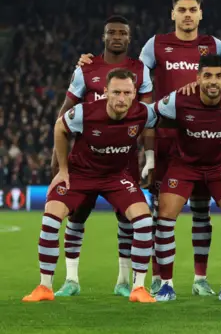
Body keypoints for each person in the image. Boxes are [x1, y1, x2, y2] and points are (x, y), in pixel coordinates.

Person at [77, 0, 221, 296]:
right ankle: (159, 276)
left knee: (201, 210)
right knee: (161, 212)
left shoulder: (215, 46)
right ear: (173, 14)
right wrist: (94, 61)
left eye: (193, 10)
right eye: (182, 10)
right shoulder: (156, 45)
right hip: (165, 140)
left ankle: (200, 278)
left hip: (205, 140)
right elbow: (129, 72)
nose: (187, 15)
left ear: (201, 13)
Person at [22, 68, 157, 303]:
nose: (121, 98)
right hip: (81, 174)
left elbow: (171, 115)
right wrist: (63, 169)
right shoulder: (84, 113)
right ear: (105, 92)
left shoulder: (144, 113)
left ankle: (139, 288)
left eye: (127, 92)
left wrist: (152, 159)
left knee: (144, 220)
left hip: (116, 176)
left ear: (135, 93)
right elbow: (59, 128)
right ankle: (44, 287)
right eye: (116, 92)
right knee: (51, 218)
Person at [53, 15, 153, 299]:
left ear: (130, 38)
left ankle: (123, 280)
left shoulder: (140, 69)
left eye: (123, 32)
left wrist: (150, 158)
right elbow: (65, 110)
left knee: (127, 218)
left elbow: (145, 117)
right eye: (112, 32)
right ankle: (71, 280)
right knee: (77, 215)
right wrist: (56, 159)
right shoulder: (87, 68)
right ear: (104, 37)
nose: (117, 37)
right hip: (87, 156)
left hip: (123, 157)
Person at [153, 54, 221, 303]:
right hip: (184, 165)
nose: (213, 81)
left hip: (219, 165)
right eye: (207, 76)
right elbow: (148, 116)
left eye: (218, 76)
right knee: (165, 217)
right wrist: (149, 158)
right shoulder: (178, 99)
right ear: (197, 78)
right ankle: (165, 284)